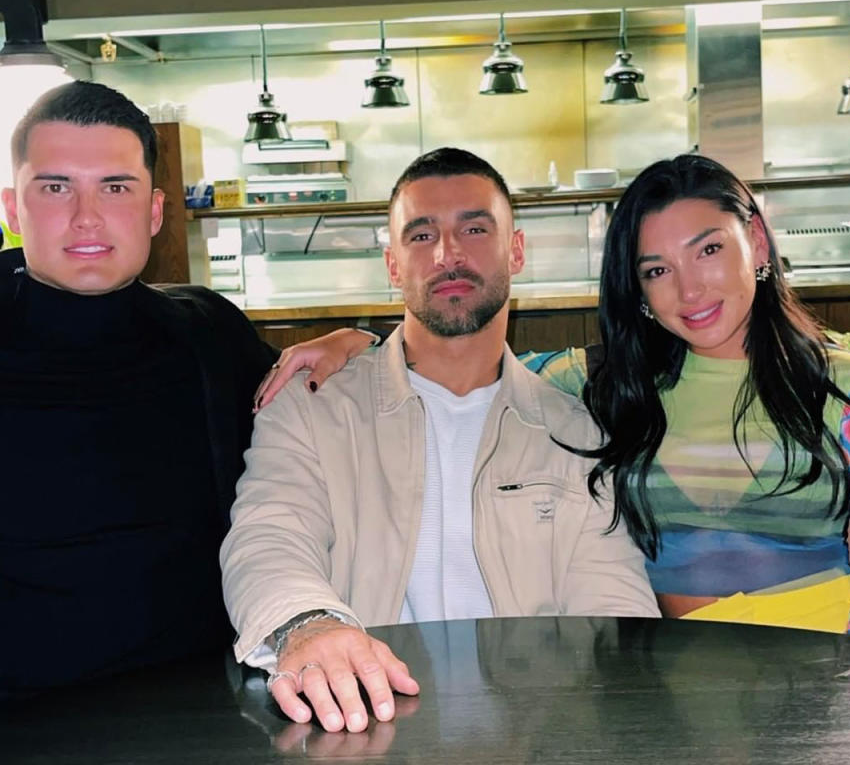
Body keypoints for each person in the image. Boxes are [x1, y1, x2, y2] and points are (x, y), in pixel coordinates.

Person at [260, 154, 850, 642]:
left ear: (758, 244)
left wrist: (846, 689)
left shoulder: (842, 385)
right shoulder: (601, 384)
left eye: (709, 249)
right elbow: (460, 355)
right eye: (657, 269)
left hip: (823, 656)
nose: (689, 289)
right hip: (670, 678)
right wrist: (363, 340)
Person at [221, 147, 659, 733]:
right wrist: (311, 625)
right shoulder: (314, 405)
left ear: (517, 250)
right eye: (421, 235)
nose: (448, 254)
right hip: (359, 736)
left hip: (538, 751)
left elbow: (615, 615)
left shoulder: (575, 430)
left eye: (474, 229)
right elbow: (268, 535)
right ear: (393, 265)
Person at [0, 80, 277, 703]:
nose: (86, 217)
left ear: (154, 212)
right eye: (55, 187)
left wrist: (352, 349)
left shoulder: (210, 337)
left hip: (197, 722)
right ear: (12, 209)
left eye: (115, 187)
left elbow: (315, 439)